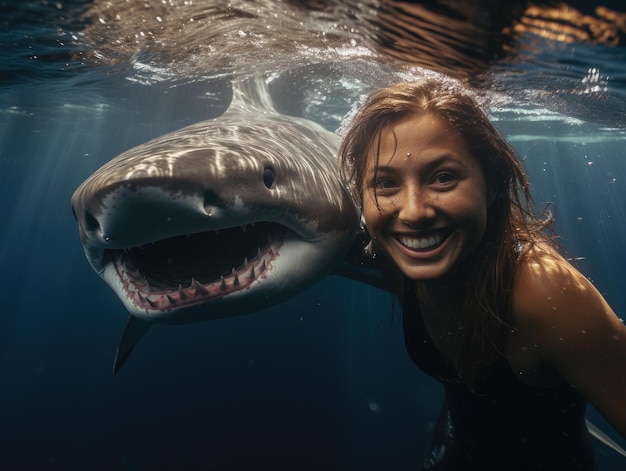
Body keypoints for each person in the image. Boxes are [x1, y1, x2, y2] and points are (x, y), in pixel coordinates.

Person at [338, 79, 626, 470]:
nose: (413, 212)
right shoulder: (393, 257)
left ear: (491, 184)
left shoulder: (543, 293)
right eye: (386, 184)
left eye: (443, 177)